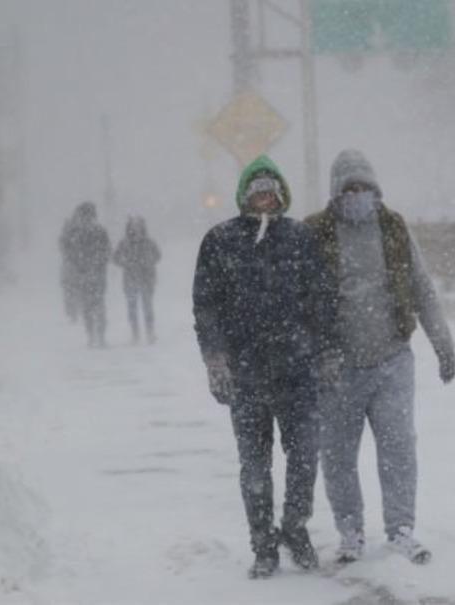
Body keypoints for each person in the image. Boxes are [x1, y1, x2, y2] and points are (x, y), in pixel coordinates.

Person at [305, 149, 455, 566]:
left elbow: (422, 288)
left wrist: (443, 343)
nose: (357, 195)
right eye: (349, 189)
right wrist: (314, 354)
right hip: (337, 367)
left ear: (375, 190)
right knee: (337, 454)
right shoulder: (315, 233)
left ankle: (401, 529)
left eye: (364, 188)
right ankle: (350, 531)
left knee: (398, 448)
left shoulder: (392, 228)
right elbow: (295, 301)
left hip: (391, 360)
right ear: (336, 193)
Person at [192, 155, 335, 579]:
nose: (264, 200)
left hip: (297, 370)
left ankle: (294, 525)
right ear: (243, 197)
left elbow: (321, 300)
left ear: (282, 195)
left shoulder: (300, 238)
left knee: (305, 455)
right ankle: (263, 544)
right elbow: (206, 307)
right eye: (256, 193)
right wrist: (216, 359)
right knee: (255, 465)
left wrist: (325, 353)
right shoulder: (220, 241)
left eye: (270, 192)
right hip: (246, 373)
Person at [61, 201, 111, 347]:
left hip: (93, 274)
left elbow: (107, 251)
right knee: (90, 306)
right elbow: (68, 252)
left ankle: (98, 336)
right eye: (85, 215)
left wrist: (96, 263)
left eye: (88, 215)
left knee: (95, 305)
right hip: (87, 274)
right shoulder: (77, 233)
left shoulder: (97, 231)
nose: (87, 219)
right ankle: (93, 335)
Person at [113, 216, 161, 344]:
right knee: (132, 307)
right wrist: (126, 263)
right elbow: (116, 258)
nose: (136, 229)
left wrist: (148, 262)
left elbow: (157, 255)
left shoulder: (149, 242)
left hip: (146, 279)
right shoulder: (124, 243)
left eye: (138, 226)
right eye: (133, 226)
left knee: (147, 307)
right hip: (130, 279)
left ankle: (150, 332)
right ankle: (135, 334)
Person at [59, 211, 81, 322]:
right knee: (74, 289)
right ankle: (73, 310)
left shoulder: (66, 235)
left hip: (70, 266)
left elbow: (61, 248)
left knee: (70, 290)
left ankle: (72, 311)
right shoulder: (79, 234)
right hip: (74, 266)